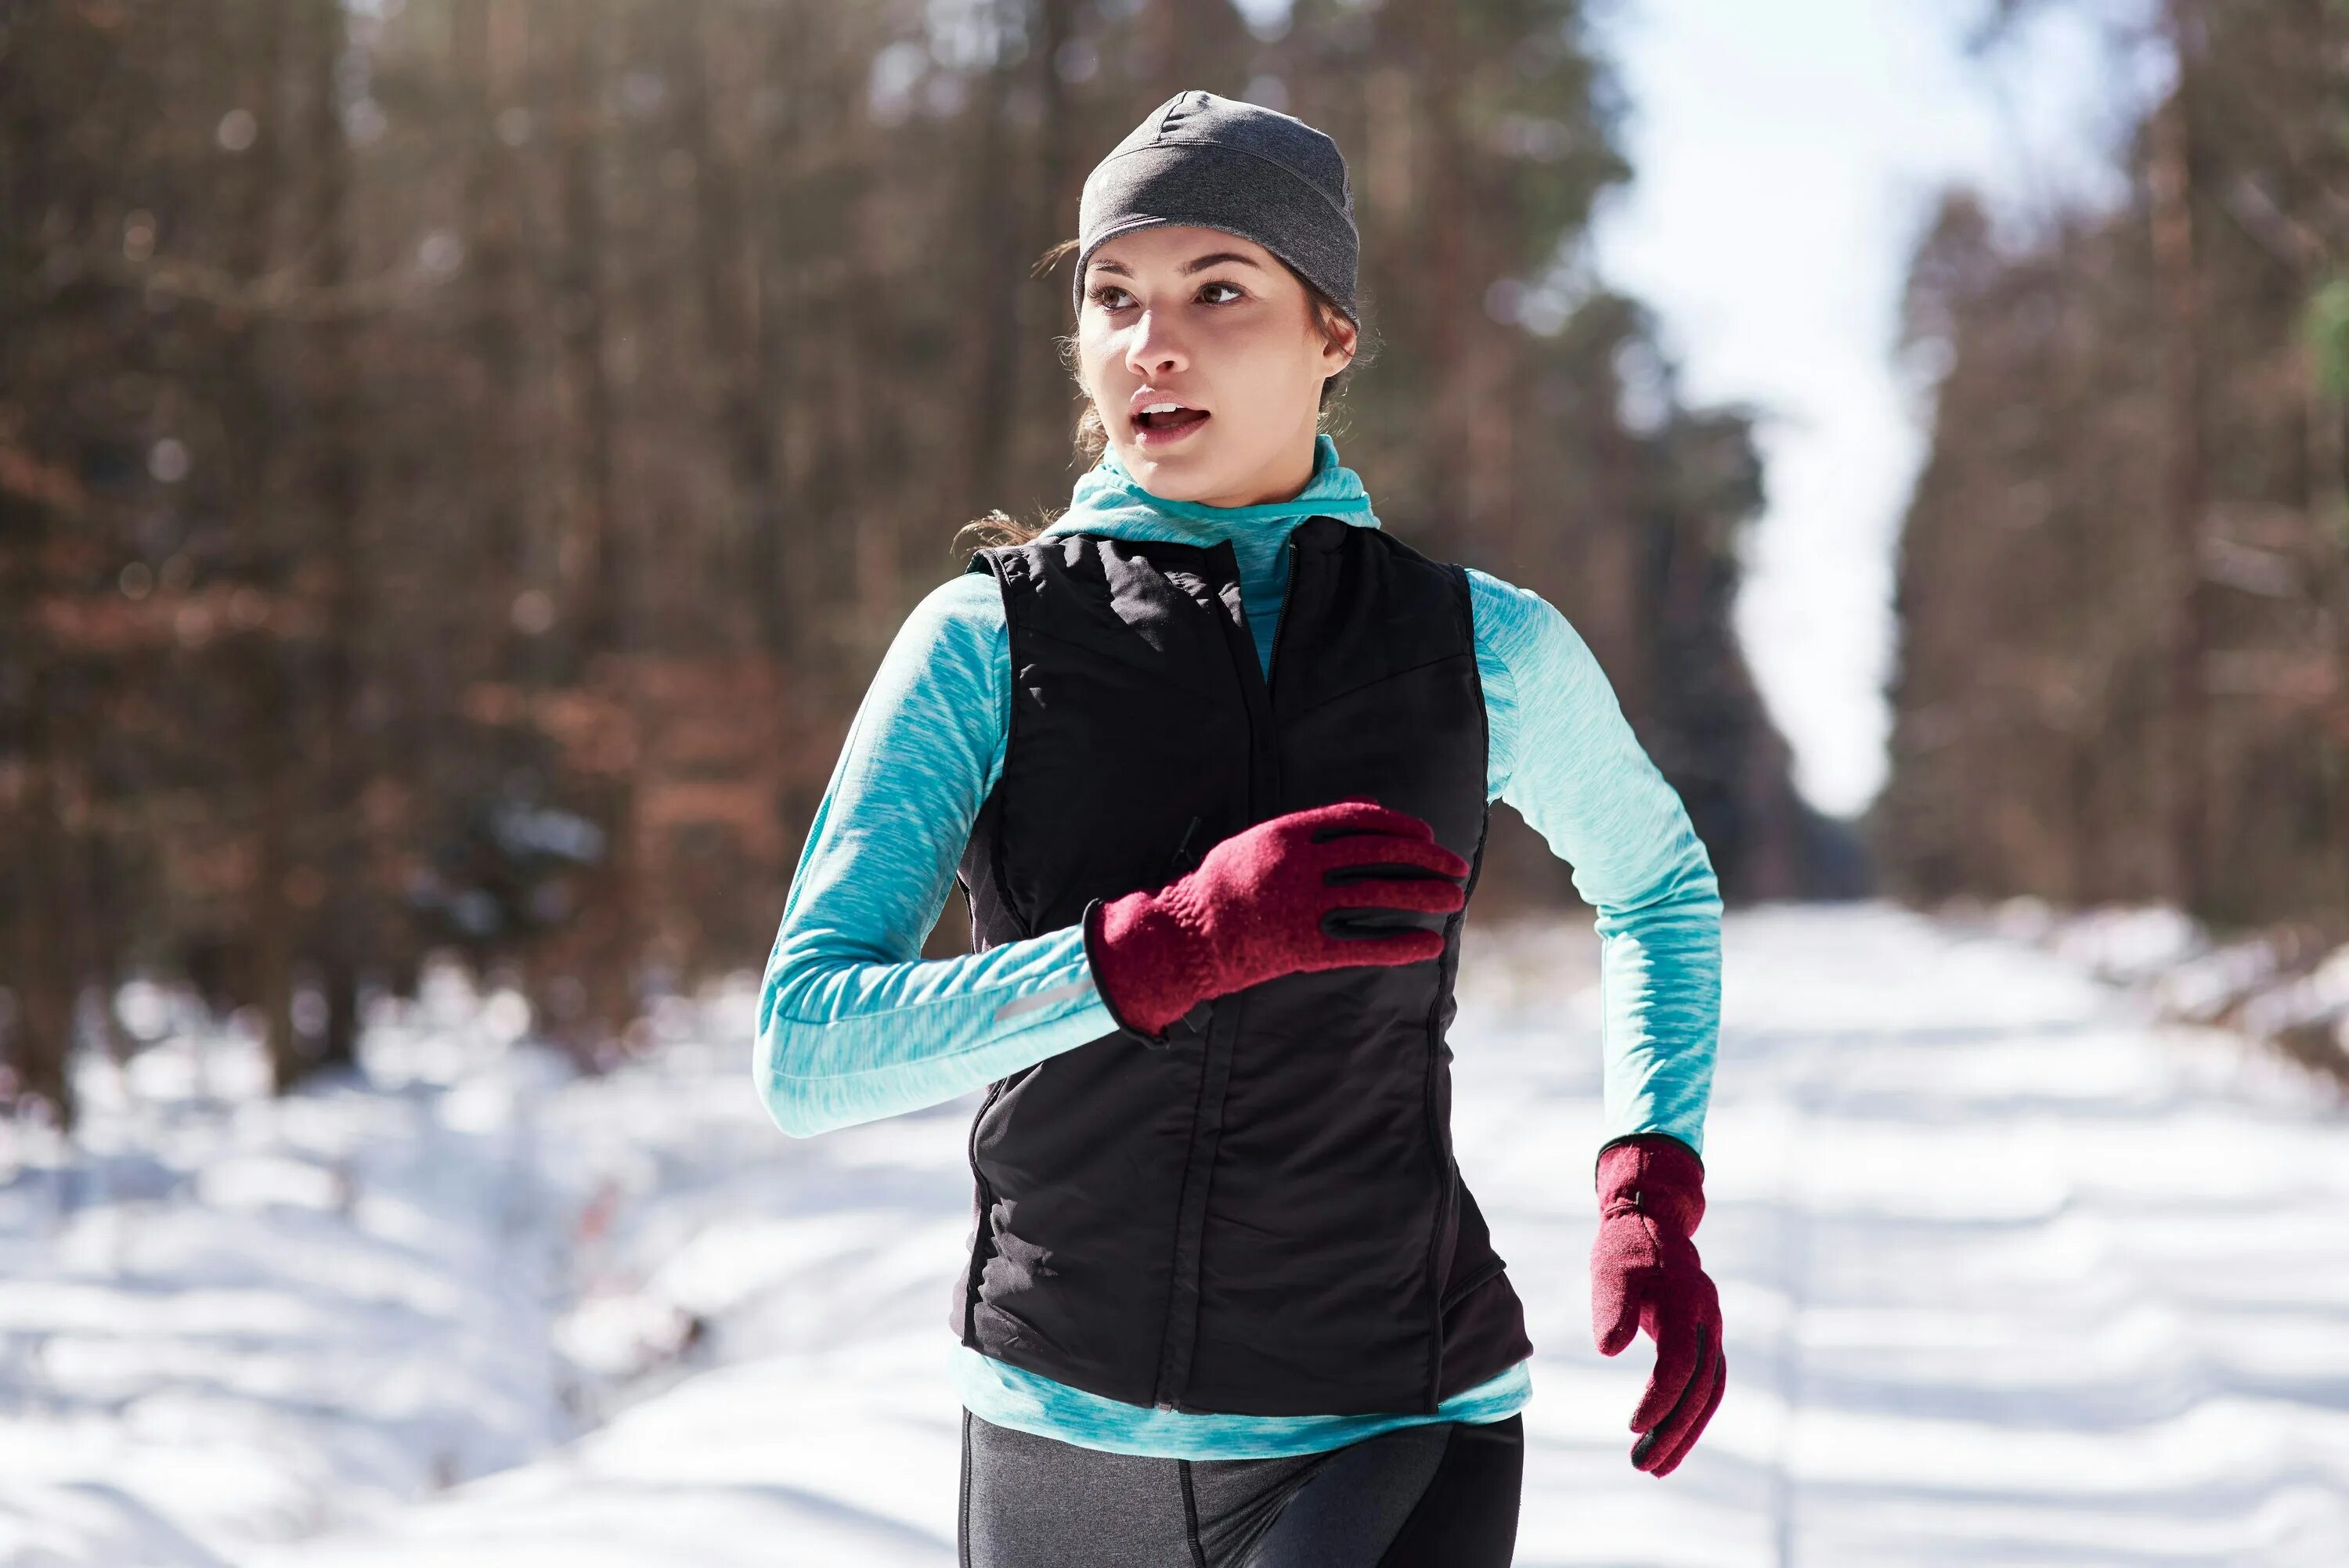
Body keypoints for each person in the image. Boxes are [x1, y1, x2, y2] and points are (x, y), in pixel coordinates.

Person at [755, 88, 1725, 1568]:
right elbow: (808, 1047)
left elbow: (1656, 888)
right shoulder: (984, 644)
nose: (1158, 341)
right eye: (1115, 296)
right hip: (1061, 1420)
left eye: (1222, 292)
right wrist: (1161, 950)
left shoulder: (1479, 646)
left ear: (1332, 333)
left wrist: (1649, 1176)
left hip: (1397, 1409)